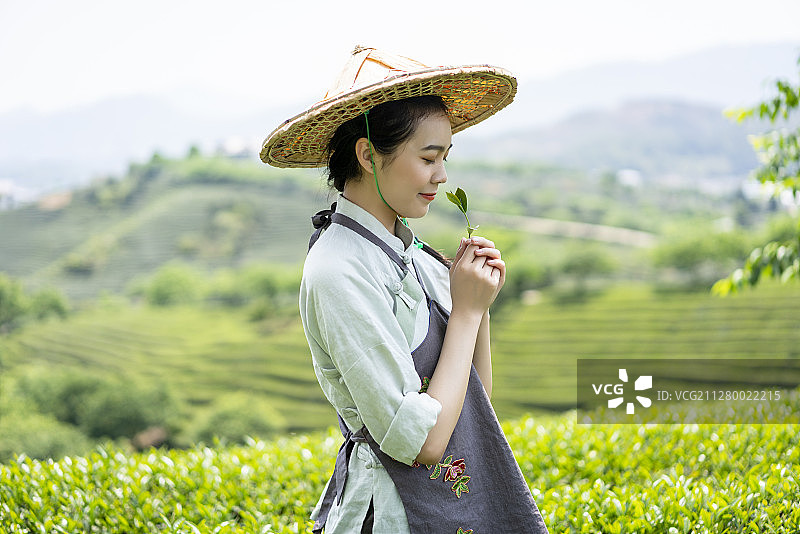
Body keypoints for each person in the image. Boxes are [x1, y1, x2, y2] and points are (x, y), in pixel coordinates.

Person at [261, 46, 548, 534]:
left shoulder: (417, 255)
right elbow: (422, 443)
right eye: (429, 157)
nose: (442, 175)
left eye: (445, 158)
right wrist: (466, 314)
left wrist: (476, 306)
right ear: (369, 155)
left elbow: (472, 401)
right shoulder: (338, 271)